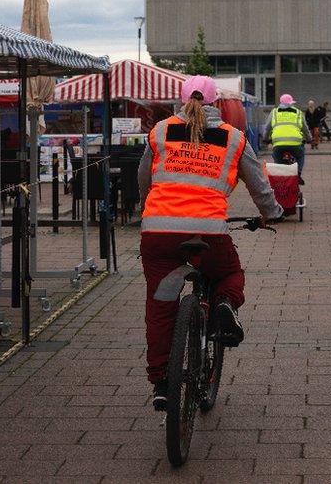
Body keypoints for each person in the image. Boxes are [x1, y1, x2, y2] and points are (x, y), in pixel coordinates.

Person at [138, 75, 283, 410]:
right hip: (208, 230)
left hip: (158, 232)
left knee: (160, 306)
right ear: (217, 103)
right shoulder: (233, 138)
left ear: (181, 100)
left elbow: (144, 179)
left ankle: (161, 383)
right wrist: (271, 213)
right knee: (229, 275)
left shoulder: (159, 132)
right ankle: (224, 306)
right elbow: (258, 184)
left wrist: (151, 209)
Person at [264, 93, 311, 180]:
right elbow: (305, 128)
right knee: (300, 156)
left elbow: (267, 128)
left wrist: (265, 139)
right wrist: (309, 139)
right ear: (291, 103)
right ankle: (298, 174)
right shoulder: (298, 112)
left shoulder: (274, 112)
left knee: (277, 157)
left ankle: (280, 177)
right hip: (295, 143)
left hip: (278, 144)